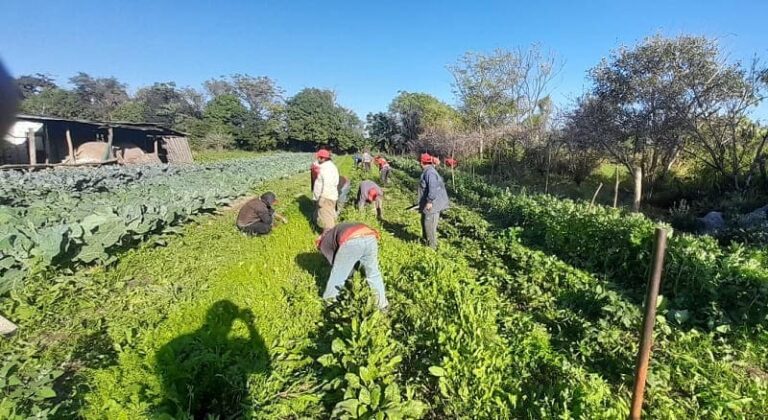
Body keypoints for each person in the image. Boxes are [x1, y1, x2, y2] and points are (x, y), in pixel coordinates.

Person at [316, 222, 389, 310]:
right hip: (370, 236)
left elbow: (336, 264)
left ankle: (329, 304)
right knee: (373, 273)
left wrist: (349, 276)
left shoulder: (323, 244)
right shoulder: (336, 230)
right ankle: (382, 305)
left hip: (352, 240)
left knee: (338, 275)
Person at [417, 153, 450, 249]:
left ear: (422, 162)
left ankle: (432, 247)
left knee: (429, 224)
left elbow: (433, 188)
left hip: (433, 204)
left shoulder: (429, 173)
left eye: (420, 162)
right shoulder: (428, 171)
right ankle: (425, 241)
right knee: (424, 221)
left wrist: (429, 201)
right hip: (428, 202)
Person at [313, 149, 339, 231]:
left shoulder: (328, 169)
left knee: (327, 220)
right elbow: (315, 164)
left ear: (323, 158)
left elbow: (328, 185)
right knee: (326, 214)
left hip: (326, 197)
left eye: (318, 157)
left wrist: (323, 198)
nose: (317, 159)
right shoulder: (326, 165)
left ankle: (329, 238)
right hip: (326, 196)